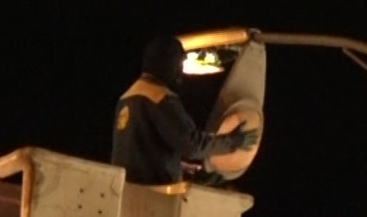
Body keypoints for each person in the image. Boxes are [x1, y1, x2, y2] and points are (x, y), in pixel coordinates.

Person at [111, 35, 259, 186]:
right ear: (170, 64)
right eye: (180, 65)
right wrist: (232, 142)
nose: (180, 73)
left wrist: (181, 168)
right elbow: (191, 145)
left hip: (128, 188)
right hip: (152, 194)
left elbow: (139, 153)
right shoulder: (159, 98)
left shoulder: (128, 97)